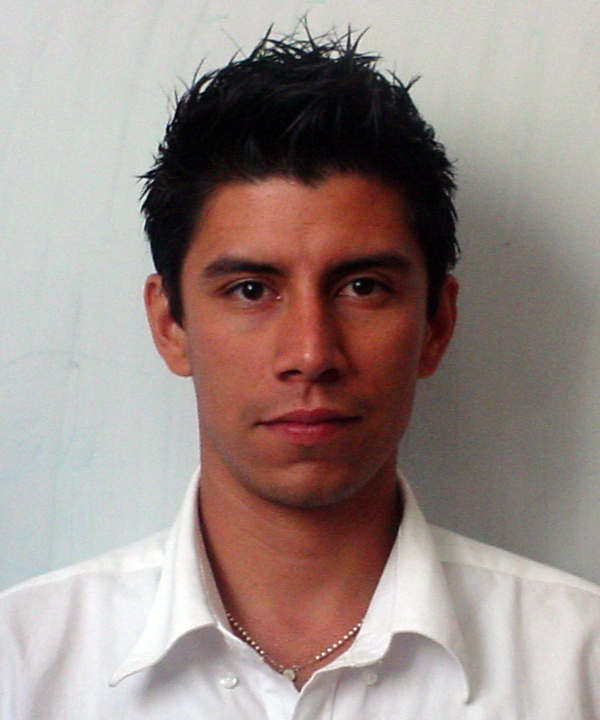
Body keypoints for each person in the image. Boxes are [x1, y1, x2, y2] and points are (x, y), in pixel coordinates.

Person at [1, 26, 599, 720]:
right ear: (170, 325)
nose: (312, 355)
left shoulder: (577, 664)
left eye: (363, 287)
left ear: (436, 323)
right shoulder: (23, 664)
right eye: (251, 290)